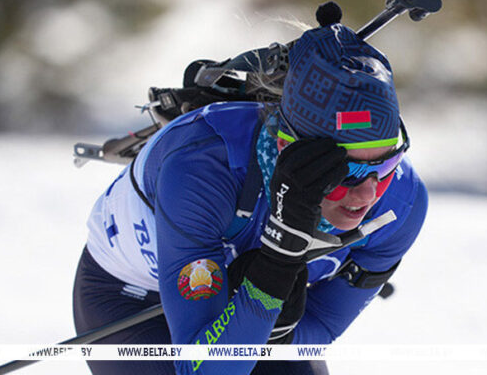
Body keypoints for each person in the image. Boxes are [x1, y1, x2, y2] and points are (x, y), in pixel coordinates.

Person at [72, 21, 428, 375]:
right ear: (286, 147)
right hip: (132, 298)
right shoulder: (203, 168)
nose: (367, 194)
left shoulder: (402, 201)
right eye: (345, 171)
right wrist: (277, 266)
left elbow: (322, 324)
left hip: (235, 299)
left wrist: (278, 333)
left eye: (386, 164)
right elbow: (202, 370)